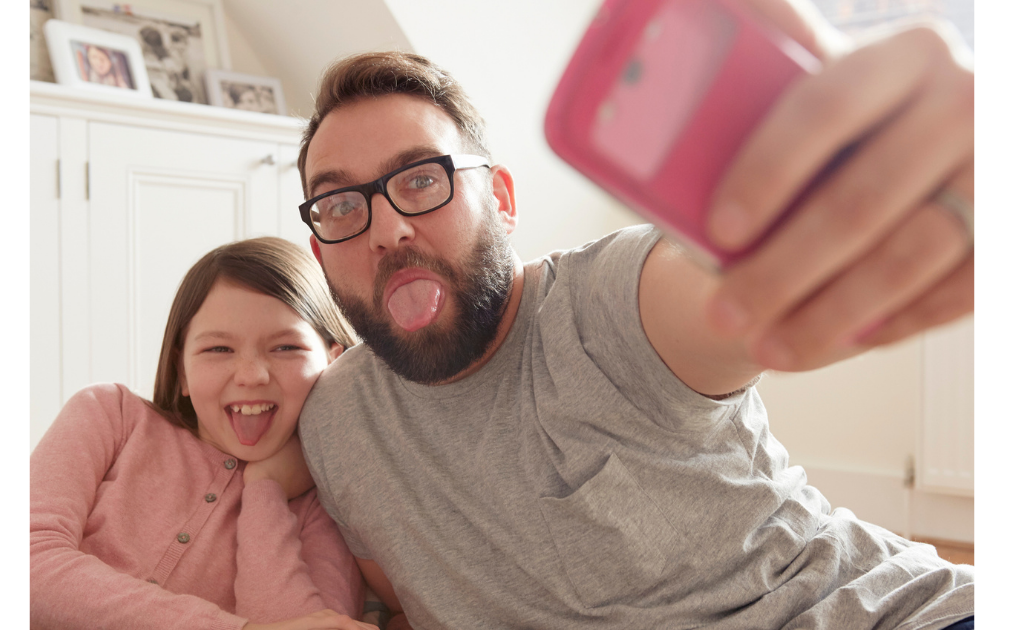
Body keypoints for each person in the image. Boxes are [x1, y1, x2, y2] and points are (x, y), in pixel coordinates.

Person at [294, 0, 975, 628]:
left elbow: (714, 294)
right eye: (341, 206)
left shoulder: (610, 303)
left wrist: (888, 193)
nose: (386, 230)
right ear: (321, 255)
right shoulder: (336, 423)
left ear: (501, 200)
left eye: (421, 179)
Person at [29, 238, 376, 630]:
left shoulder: (325, 505)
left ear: (336, 361)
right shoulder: (110, 414)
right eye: (218, 350)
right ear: (181, 370)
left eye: (284, 347)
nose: (250, 376)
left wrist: (267, 488)